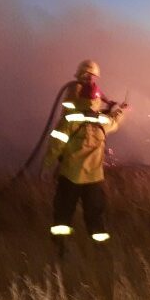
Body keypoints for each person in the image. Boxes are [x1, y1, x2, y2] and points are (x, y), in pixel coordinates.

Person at [43, 63, 127, 254]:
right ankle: (100, 250)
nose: (90, 80)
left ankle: (60, 249)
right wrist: (121, 109)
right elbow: (115, 120)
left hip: (70, 175)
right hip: (94, 178)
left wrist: (47, 167)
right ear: (96, 100)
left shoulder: (69, 120)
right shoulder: (102, 121)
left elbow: (56, 146)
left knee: (63, 213)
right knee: (95, 215)